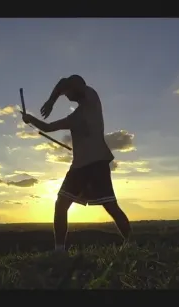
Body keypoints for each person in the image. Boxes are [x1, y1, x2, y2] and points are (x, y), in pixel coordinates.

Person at [21, 75, 132, 253]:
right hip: (79, 167)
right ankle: (59, 250)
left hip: (97, 164)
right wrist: (31, 119)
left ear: (77, 88)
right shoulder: (74, 117)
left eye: (68, 92)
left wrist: (50, 101)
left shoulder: (92, 97)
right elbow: (48, 128)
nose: (66, 95)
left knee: (110, 206)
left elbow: (64, 83)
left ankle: (130, 244)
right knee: (61, 204)